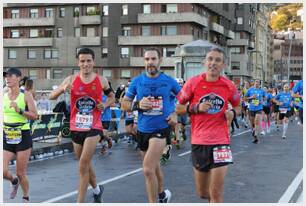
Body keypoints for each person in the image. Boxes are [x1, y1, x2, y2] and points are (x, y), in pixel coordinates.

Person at [49, 48, 115, 203]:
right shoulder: (70, 79)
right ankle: (97, 190)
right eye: (82, 61)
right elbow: (52, 96)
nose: (86, 64)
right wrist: (62, 89)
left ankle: (80, 202)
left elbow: (112, 97)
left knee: (83, 165)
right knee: (84, 164)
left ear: (93, 62)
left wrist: (104, 105)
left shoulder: (101, 80)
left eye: (88, 61)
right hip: (76, 127)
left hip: (94, 127)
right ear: (78, 63)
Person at [176, 47, 240, 203]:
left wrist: (233, 113)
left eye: (218, 60)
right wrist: (196, 108)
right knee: (204, 193)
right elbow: (177, 108)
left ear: (223, 65)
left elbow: (238, 106)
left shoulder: (228, 85)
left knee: (216, 193)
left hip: (221, 143)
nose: (213, 63)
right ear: (204, 62)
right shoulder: (193, 83)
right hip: (200, 142)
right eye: (210, 59)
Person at [121, 47, 181, 203]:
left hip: (161, 129)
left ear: (160, 60)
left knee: (147, 169)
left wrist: (175, 113)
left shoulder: (169, 81)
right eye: (147, 59)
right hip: (142, 130)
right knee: (154, 167)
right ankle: (162, 195)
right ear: (144, 61)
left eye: (153, 59)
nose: (150, 62)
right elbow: (124, 104)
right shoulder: (137, 81)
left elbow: (184, 100)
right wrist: (137, 105)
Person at [3, 68, 38, 203]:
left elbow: (35, 116)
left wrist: (20, 110)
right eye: (6, 76)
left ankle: (26, 197)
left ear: (18, 78)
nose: (7, 78)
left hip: (22, 136)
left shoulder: (26, 95)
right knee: (3, 171)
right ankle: (13, 181)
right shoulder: (3, 94)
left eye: (10, 76)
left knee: (21, 172)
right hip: (6, 135)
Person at [244, 79, 265, 143]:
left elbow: (264, 98)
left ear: (259, 84)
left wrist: (262, 100)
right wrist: (251, 97)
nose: (256, 83)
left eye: (258, 82)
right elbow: (244, 98)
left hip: (259, 108)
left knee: (256, 121)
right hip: (251, 108)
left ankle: (255, 136)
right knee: (252, 123)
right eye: (256, 82)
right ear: (254, 83)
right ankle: (253, 130)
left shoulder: (262, 91)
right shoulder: (250, 90)